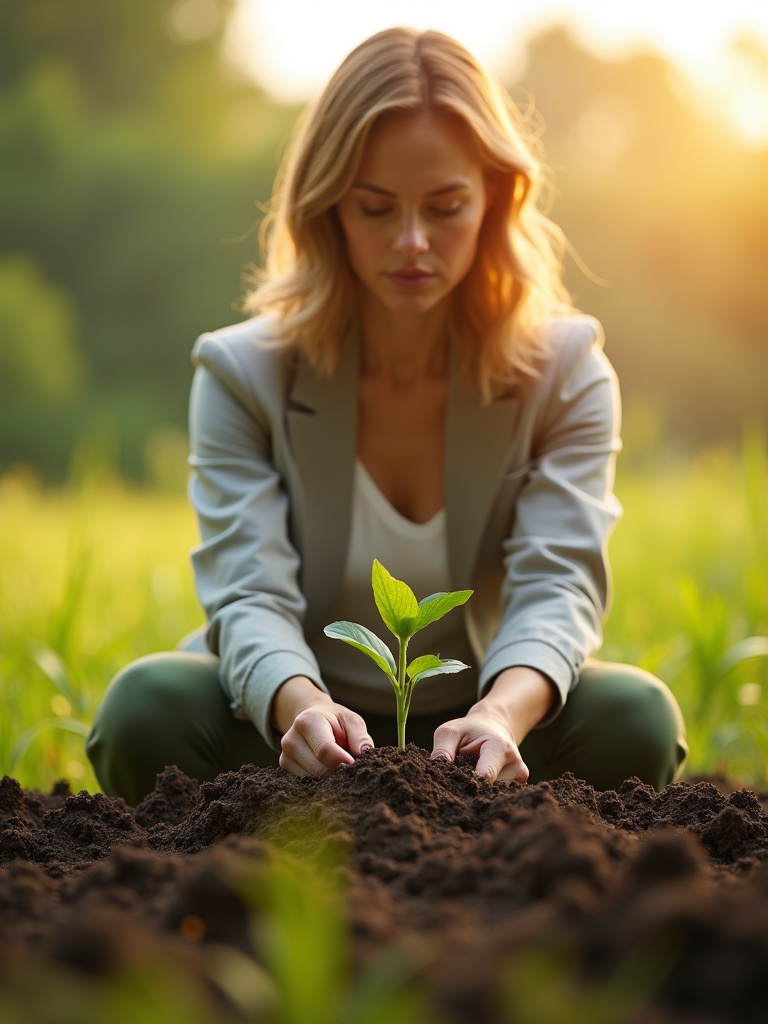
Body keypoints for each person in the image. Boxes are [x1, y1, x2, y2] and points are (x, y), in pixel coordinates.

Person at [87, 27, 687, 806]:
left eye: (445, 208)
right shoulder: (243, 373)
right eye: (375, 208)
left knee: (634, 719)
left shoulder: (564, 371)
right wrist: (300, 708)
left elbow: (557, 582)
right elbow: (249, 592)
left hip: (478, 729)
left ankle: (494, 836)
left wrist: (501, 716)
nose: (411, 243)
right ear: (328, 206)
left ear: (496, 200)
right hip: (292, 724)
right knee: (146, 708)